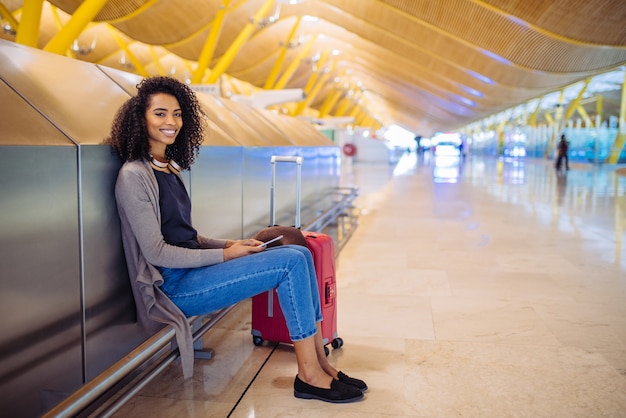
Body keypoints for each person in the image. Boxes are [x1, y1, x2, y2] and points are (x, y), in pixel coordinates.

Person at [107, 76, 366, 404]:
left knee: (298, 252)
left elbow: (188, 237)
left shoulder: (167, 169)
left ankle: (321, 365)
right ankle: (308, 375)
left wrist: (231, 244)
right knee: (289, 262)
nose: (170, 122)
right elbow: (157, 252)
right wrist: (227, 257)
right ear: (139, 118)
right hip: (174, 288)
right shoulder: (133, 177)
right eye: (160, 114)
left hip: (195, 274)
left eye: (176, 114)